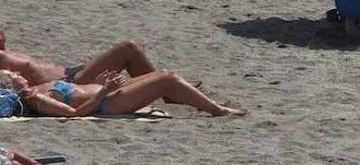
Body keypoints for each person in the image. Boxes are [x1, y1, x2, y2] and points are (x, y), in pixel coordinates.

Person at [0, 68, 244, 118]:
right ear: (12, 86)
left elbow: (75, 92)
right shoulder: (37, 99)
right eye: (13, 75)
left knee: (166, 73)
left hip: (108, 92)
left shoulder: (35, 89)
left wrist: (96, 83)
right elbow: (74, 113)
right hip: (107, 102)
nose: (18, 73)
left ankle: (209, 104)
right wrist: (102, 91)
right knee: (167, 80)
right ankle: (217, 110)